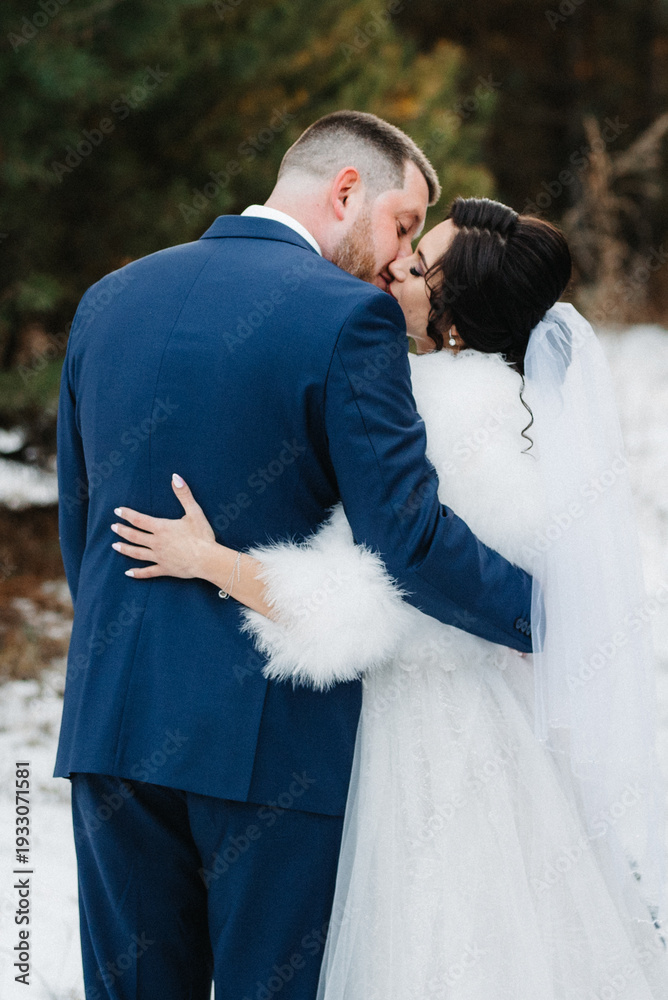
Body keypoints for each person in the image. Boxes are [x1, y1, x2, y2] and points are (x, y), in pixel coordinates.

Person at [112, 196, 668, 997]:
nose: (392, 266)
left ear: (454, 322)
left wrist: (209, 559)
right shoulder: (521, 410)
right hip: (498, 728)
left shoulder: (428, 407)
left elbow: (354, 606)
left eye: (416, 265)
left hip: (423, 745)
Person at [55, 113, 534, 1000]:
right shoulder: (348, 317)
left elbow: (80, 526)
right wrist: (544, 611)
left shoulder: (110, 297)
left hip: (112, 725)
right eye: (402, 225)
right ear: (346, 191)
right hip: (271, 748)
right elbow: (407, 538)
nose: (400, 258)